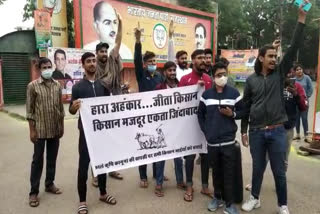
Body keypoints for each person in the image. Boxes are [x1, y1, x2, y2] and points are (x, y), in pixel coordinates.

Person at [241, 6, 307, 214]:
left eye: (274, 56)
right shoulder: (251, 81)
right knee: (258, 169)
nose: (273, 59)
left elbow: (294, 45)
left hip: (278, 130)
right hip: (257, 131)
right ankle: (255, 199)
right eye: (269, 56)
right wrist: (244, 130)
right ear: (260, 58)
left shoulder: (279, 74)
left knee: (279, 171)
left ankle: (283, 205)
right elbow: (246, 106)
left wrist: (301, 19)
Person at [70, 52, 116, 214]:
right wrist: (73, 107)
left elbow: (108, 108)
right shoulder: (77, 87)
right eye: (88, 61)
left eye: (93, 61)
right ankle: (82, 201)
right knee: (83, 167)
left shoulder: (103, 86)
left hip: (101, 134)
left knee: (102, 164)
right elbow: (71, 110)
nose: (92, 64)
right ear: (83, 65)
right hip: (85, 135)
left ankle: (103, 194)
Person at [198, 62, 245, 214]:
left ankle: (229, 203)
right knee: (216, 172)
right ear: (213, 77)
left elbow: (243, 111)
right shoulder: (206, 95)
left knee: (229, 173)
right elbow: (200, 114)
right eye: (219, 75)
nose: (222, 77)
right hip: (212, 142)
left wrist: (233, 114)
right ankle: (217, 198)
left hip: (228, 142)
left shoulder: (234, 93)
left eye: (224, 74)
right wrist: (207, 131)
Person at [26, 57, 64, 207]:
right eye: (44, 67)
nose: (47, 69)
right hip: (40, 130)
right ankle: (33, 192)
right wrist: (32, 131)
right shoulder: (32, 86)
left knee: (52, 159)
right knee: (37, 161)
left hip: (54, 129)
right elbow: (30, 111)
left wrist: (61, 126)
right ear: (39, 69)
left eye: (49, 67)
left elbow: (60, 109)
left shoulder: (57, 86)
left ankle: (49, 184)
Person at [179, 49, 213, 202]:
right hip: (189, 126)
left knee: (206, 156)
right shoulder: (185, 80)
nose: (202, 61)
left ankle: (205, 187)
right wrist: (194, 90)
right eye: (199, 58)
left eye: (203, 58)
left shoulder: (208, 79)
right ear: (192, 61)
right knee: (190, 157)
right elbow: (178, 103)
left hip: (205, 125)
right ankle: (189, 186)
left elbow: (211, 102)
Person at [134, 22, 165, 189]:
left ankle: (157, 173)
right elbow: (136, 60)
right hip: (144, 116)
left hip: (158, 115)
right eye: (150, 61)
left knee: (158, 144)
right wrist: (138, 42)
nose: (153, 63)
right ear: (145, 64)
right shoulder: (141, 74)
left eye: (155, 61)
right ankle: (143, 176)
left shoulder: (160, 76)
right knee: (144, 146)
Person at [91, 42, 123, 187]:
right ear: (96, 53)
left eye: (105, 51)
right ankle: (96, 174)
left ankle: (112, 169)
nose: (104, 53)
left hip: (113, 112)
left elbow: (117, 44)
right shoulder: (93, 70)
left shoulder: (112, 66)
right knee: (96, 144)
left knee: (112, 142)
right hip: (98, 114)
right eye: (101, 51)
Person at [155, 61, 187, 191]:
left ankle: (180, 181)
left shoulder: (182, 87)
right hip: (163, 127)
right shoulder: (159, 88)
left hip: (178, 128)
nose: (172, 73)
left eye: (174, 70)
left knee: (178, 157)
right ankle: (159, 184)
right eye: (170, 70)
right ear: (165, 72)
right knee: (161, 157)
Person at [293, 63, 313, 142]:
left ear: (302, 70)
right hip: (295, 102)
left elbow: (310, 89)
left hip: (304, 102)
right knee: (297, 119)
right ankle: (297, 134)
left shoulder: (307, 78)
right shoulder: (293, 79)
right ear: (295, 71)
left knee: (304, 119)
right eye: (297, 70)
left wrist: (306, 97)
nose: (299, 71)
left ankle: (306, 135)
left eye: (300, 69)